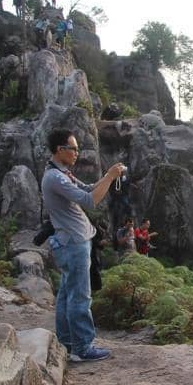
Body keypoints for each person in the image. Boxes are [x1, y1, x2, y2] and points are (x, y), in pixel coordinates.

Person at [41, 129, 126, 362]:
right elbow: (90, 201)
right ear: (60, 150)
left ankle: (67, 343)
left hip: (73, 242)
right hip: (73, 244)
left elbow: (88, 188)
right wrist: (109, 176)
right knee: (79, 296)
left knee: (67, 294)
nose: (77, 153)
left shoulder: (62, 173)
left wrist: (110, 175)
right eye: (73, 148)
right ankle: (83, 348)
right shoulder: (55, 178)